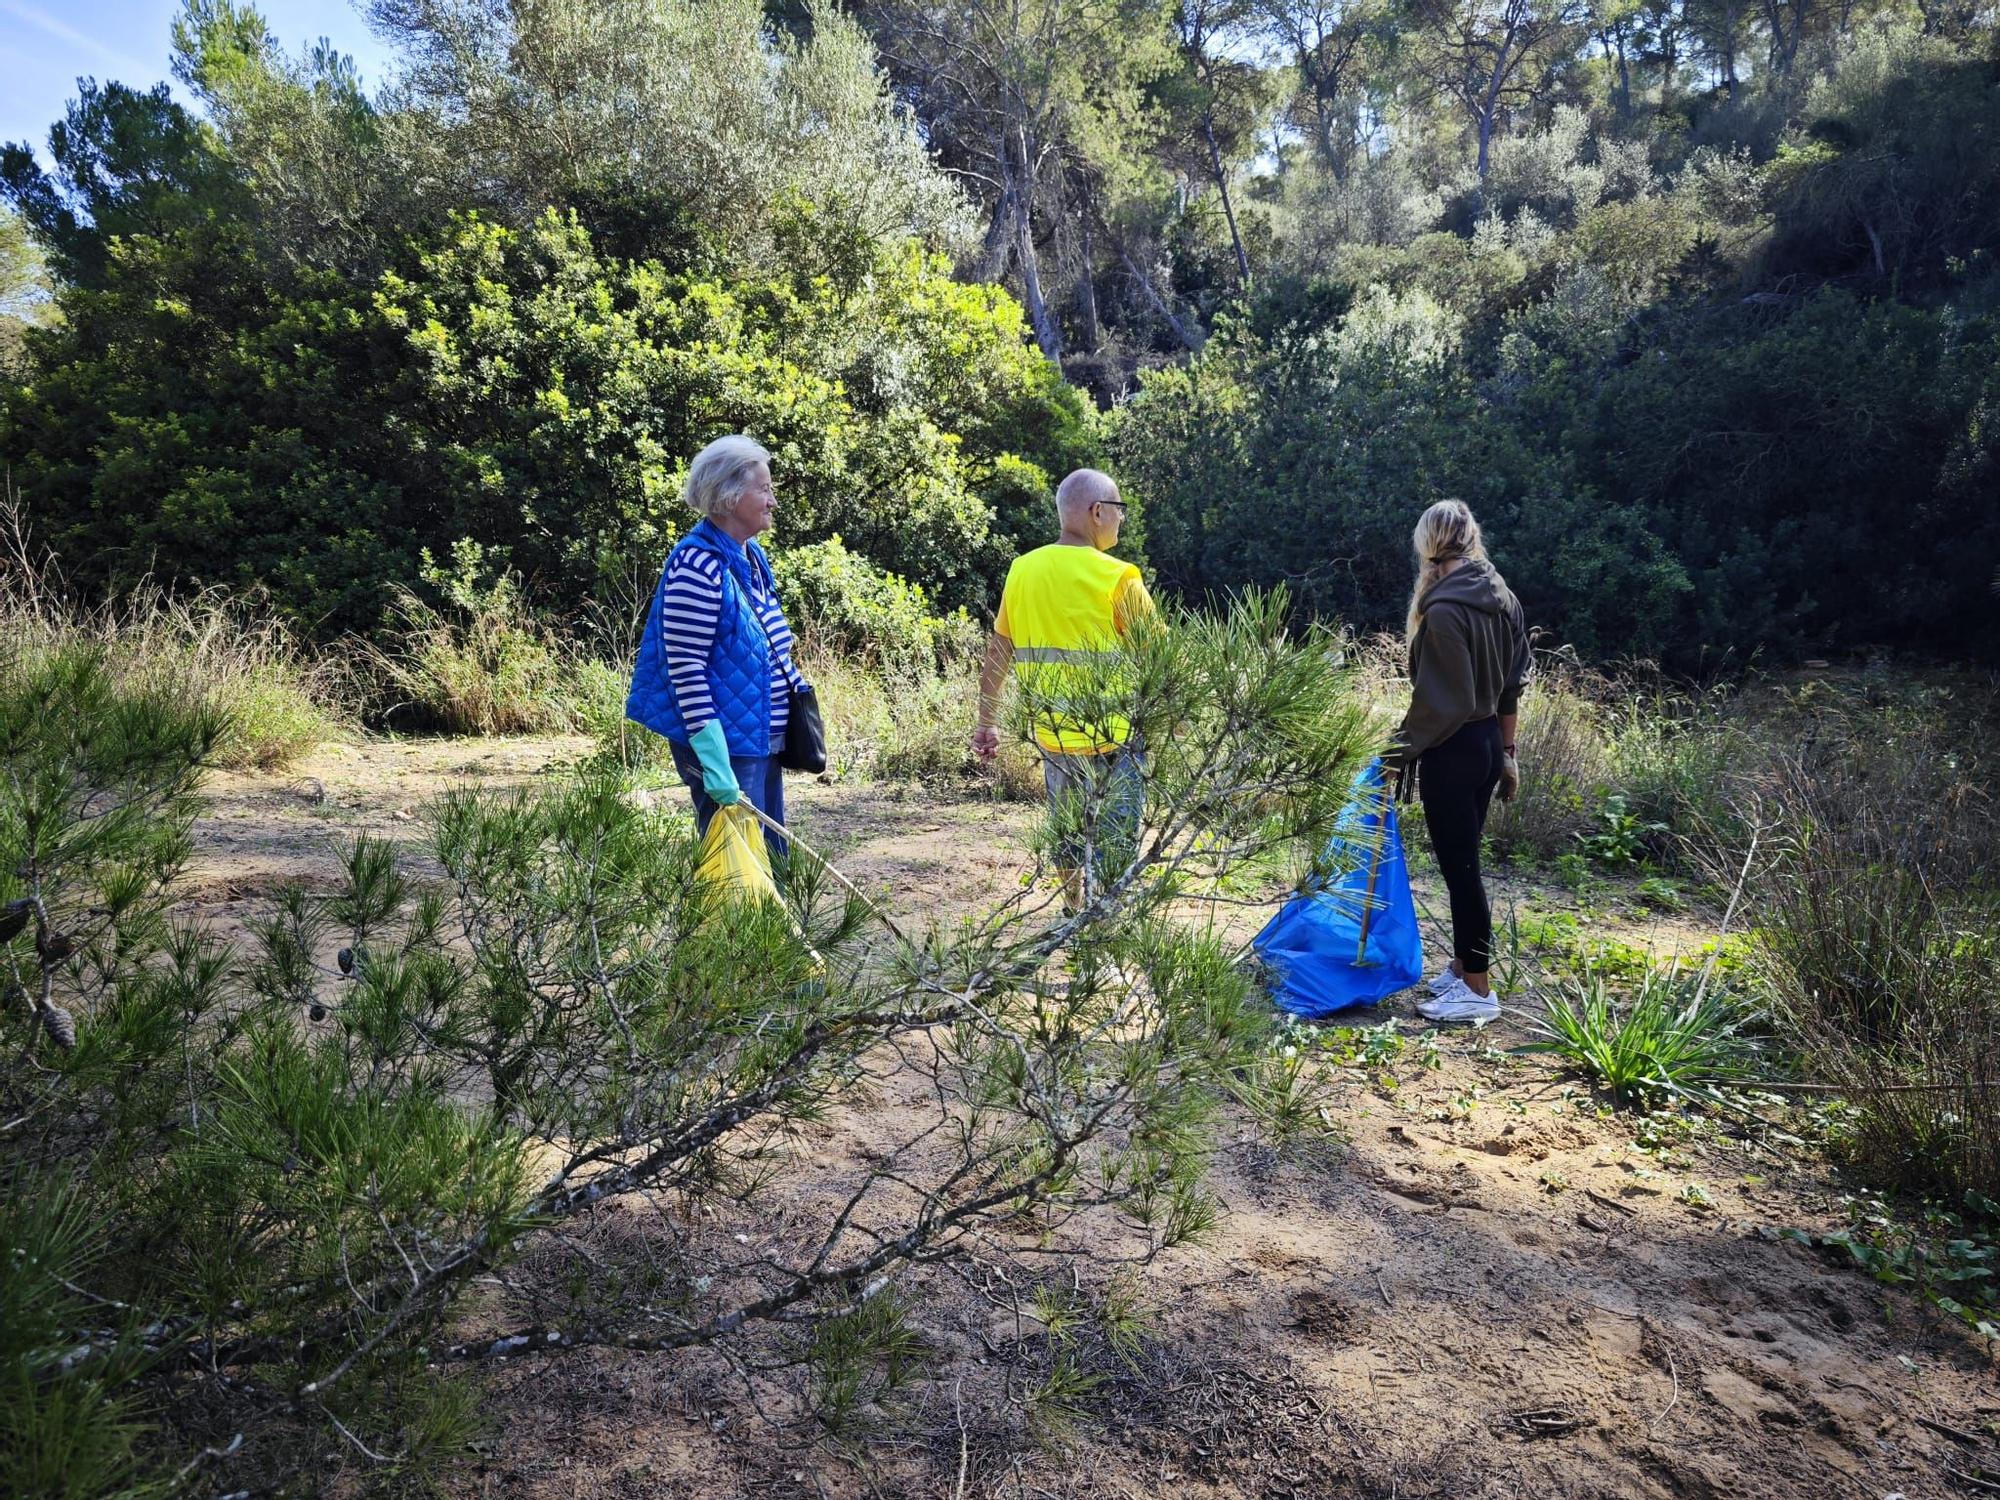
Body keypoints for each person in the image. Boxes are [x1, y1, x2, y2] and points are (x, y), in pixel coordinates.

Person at [972, 469, 1154, 909]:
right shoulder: (1119, 577)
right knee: (1115, 842)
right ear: (1097, 512)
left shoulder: (1023, 571)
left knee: (1068, 835)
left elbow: (999, 653)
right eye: (1118, 510)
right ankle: (1102, 931)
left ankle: (1074, 910)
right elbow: (1158, 659)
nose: (1121, 520)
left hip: (1054, 737)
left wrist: (986, 723)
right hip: (1117, 739)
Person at [627, 434, 807, 864]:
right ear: (729, 497)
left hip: (760, 738)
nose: (772, 501)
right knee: (738, 873)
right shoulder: (697, 565)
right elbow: (684, 666)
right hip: (726, 746)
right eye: (763, 489)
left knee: (771, 859)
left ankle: (779, 934)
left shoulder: (750, 556)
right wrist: (713, 760)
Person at [1388, 499, 1531, 1024]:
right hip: (1488, 744)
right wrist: (1509, 755)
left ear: (1428, 544)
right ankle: (1463, 964)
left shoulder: (1446, 610)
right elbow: (1513, 688)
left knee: (1461, 871)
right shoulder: (1504, 598)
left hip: (1454, 749)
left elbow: (1440, 706)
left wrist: (1394, 755)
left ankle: (1477, 990)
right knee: (1463, 864)